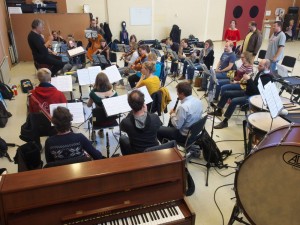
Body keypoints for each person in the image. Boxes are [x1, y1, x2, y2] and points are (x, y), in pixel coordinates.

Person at [209, 59, 273, 129]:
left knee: (234, 101)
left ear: (266, 66)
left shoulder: (267, 78)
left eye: (260, 66)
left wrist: (249, 79)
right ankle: (219, 110)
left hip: (254, 97)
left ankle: (225, 122)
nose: (258, 67)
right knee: (226, 93)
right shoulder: (261, 72)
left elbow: (257, 91)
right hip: (248, 92)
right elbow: (253, 85)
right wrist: (239, 82)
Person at [119, 90, 161, 155]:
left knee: (122, 138)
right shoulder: (155, 117)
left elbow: (121, 127)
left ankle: (127, 160)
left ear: (130, 105)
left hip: (136, 153)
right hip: (154, 150)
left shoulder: (126, 122)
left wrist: (131, 112)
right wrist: (146, 112)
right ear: (143, 103)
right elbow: (158, 126)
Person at [87, 72, 118, 138]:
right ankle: (101, 132)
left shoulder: (93, 93)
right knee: (103, 111)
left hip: (98, 122)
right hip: (111, 120)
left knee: (95, 114)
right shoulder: (114, 93)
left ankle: (93, 132)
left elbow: (88, 105)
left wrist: (93, 91)